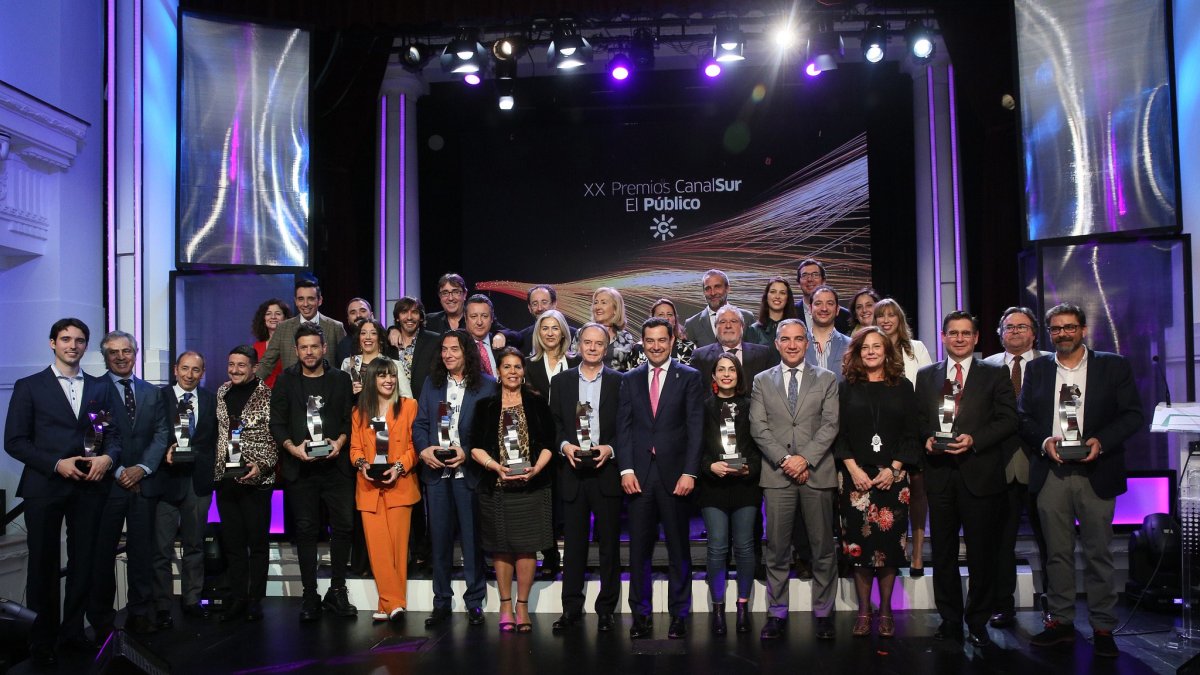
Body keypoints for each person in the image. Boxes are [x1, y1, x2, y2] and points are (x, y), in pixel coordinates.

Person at [1020, 303, 1144, 659]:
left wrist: (1100, 442)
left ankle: (1103, 626)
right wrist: (1044, 442)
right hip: (1052, 470)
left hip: (1096, 470)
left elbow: (1132, 415)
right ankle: (1060, 622)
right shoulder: (1038, 369)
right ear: (1049, 333)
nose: (1063, 333)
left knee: (1098, 552)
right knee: (1056, 553)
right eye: (1056, 329)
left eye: (1069, 327)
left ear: (1083, 330)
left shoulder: (1113, 365)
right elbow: (1024, 417)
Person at [4, 318, 123, 666]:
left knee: (83, 563)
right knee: (42, 565)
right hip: (45, 486)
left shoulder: (101, 388)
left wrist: (107, 457)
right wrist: (57, 464)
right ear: (52, 343)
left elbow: (113, 436)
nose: (73, 345)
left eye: (80, 340)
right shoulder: (29, 386)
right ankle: (42, 640)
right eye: (66, 339)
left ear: (86, 346)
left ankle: (72, 632)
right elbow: (15, 441)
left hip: (89, 487)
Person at [915, 311, 1016, 648]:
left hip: (981, 475)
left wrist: (975, 439)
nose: (959, 339)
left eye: (966, 333)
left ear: (976, 339)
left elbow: (1007, 420)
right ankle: (949, 618)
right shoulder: (927, 376)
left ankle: (977, 619)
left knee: (981, 554)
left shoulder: (994, 373)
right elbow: (918, 421)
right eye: (953, 333)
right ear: (943, 337)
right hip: (940, 476)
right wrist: (928, 437)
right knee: (942, 553)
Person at [749, 319, 840, 641]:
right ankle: (776, 613)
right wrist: (787, 460)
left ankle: (824, 613)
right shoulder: (761, 380)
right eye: (785, 339)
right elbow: (758, 427)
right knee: (776, 548)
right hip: (777, 474)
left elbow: (830, 424)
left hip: (817, 472)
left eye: (798, 339)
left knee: (822, 548)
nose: (791, 345)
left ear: (807, 344)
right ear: (776, 343)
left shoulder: (827, 379)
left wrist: (805, 459)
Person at [618, 317, 705, 640]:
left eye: (661, 340)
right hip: (639, 476)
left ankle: (679, 615)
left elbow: (696, 429)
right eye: (650, 341)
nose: (655, 346)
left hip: (676, 476)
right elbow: (623, 428)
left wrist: (690, 472)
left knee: (678, 549)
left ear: (671, 342)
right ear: (642, 343)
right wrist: (626, 469)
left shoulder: (689, 377)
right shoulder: (631, 379)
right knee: (638, 550)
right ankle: (640, 616)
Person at [269, 323, 357, 622]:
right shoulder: (285, 381)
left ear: (323, 348)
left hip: (336, 467)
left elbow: (349, 420)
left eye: (314, 346)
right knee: (305, 531)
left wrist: (340, 442)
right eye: (303, 347)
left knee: (343, 527)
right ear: (296, 350)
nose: (309, 352)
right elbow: (277, 423)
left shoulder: (340, 379)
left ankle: (337, 590)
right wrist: (292, 448)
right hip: (300, 469)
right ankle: (309, 594)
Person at [836, 327, 919, 638]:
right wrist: (854, 469)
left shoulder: (903, 387)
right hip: (854, 479)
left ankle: (885, 609)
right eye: (865, 347)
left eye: (877, 346)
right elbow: (838, 434)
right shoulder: (846, 388)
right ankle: (863, 610)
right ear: (857, 352)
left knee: (888, 550)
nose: (871, 351)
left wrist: (894, 469)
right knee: (858, 549)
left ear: (887, 351)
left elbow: (911, 435)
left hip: (892, 480)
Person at [88, 331, 171, 638]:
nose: (121, 357)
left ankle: (140, 612)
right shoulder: (94, 390)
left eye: (127, 351)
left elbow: (161, 434)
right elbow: (93, 437)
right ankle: (101, 619)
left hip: (144, 483)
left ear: (135, 353)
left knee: (142, 553)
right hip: (107, 485)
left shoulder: (152, 392)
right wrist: (120, 470)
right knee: (102, 554)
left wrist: (142, 468)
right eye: (114, 352)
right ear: (105, 356)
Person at [412, 330, 498, 627]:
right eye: (444, 349)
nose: (447, 354)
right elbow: (421, 423)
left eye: (454, 349)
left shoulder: (487, 386)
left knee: (472, 540)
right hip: (437, 474)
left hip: (469, 473)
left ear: (467, 353)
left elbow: (489, 430)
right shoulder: (431, 383)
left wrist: (467, 450)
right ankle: (441, 603)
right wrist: (424, 449)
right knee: (439, 540)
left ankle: (474, 601)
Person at [469, 348, 556, 632]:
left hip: (530, 486)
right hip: (496, 487)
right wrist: (495, 466)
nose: (512, 372)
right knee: (501, 548)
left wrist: (536, 469)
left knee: (526, 547)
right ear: (499, 371)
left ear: (523, 371)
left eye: (517, 367)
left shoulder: (536, 402)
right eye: (507, 367)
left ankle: (522, 605)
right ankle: (505, 604)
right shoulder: (486, 404)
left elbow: (548, 444)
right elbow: (474, 447)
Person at [547, 323, 623, 633]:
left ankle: (606, 610)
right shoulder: (562, 381)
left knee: (609, 546)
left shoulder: (620, 382)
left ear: (606, 348)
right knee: (574, 546)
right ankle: (571, 609)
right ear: (578, 345)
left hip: (606, 472)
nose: (592, 348)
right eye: (587, 342)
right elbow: (554, 424)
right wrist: (565, 447)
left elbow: (627, 425)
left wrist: (611, 448)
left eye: (598, 344)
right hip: (573, 471)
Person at [983, 307, 1051, 628]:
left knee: (1050, 540)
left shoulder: (1051, 364)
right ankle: (1003, 605)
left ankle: (1054, 605)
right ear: (1000, 333)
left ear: (1034, 332)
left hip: (1044, 463)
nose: (1015, 332)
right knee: (999, 542)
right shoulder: (987, 367)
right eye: (1008, 327)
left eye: (1021, 327)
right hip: (999, 465)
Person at [348, 356, 420, 621]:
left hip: (399, 485)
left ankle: (388, 604)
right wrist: (362, 464)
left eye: (391, 375)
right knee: (378, 549)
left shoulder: (410, 407)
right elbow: (355, 448)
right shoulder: (359, 412)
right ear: (372, 380)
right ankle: (393, 604)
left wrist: (399, 467)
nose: (388, 380)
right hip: (369, 489)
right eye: (382, 376)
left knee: (397, 549)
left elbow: (416, 446)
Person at [150, 351, 218, 626]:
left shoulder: (211, 400)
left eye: (196, 370)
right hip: (165, 482)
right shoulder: (158, 398)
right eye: (185, 368)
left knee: (194, 546)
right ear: (175, 369)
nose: (190, 375)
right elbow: (152, 433)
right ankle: (163, 605)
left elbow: (214, 440)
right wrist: (164, 451)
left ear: (203, 373)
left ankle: (192, 600)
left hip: (198, 482)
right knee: (161, 549)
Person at [697, 353, 762, 635]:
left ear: (738, 375)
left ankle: (743, 606)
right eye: (720, 370)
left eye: (731, 370)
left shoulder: (752, 407)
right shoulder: (703, 408)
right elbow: (695, 448)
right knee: (717, 547)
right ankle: (719, 608)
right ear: (713, 376)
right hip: (713, 487)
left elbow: (760, 445)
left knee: (746, 547)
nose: (726, 374)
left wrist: (750, 468)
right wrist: (710, 466)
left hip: (745, 486)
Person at [213, 345, 278, 623]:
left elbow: (277, 438)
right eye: (231, 364)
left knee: (258, 543)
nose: (235, 370)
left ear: (254, 367)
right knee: (233, 543)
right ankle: (238, 597)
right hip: (225, 479)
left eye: (241, 365)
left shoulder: (269, 396)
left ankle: (255, 600)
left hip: (258, 480)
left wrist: (260, 466)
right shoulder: (221, 392)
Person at [873, 298, 932, 575]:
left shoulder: (916, 348)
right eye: (880, 316)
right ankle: (895, 548)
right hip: (882, 433)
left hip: (913, 429)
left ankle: (918, 552)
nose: (886, 320)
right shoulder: (872, 349)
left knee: (918, 491)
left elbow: (929, 385)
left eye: (891, 315)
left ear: (900, 319)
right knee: (892, 493)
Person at [256, 277, 347, 380]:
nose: (305, 304)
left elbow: (346, 363)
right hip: (293, 392)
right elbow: (266, 363)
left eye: (310, 299)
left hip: (327, 391)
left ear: (320, 300)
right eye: (301, 299)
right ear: (295, 301)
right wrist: (248, 387)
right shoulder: (283, 328)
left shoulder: (335, 327)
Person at [690, 304, 778, 393]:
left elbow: (771, 391)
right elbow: (695, 394)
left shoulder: (763, 354)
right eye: (723, 322)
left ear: (742, 326)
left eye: (733, 321)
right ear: (716, 327)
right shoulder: (700, 356)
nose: (728, 326)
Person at [683, 269, 762, 347]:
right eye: (708, 288)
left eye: (717, 287)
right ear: (703, 292)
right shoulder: (692, 324)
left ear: (727, 288)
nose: (713, 293)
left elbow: (755, 352)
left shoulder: (747, 317)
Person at [387, 296, 440, 400]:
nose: (409, 317)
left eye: (414, 312)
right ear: (397, 317)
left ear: (421, 317)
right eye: (404, 312)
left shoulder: (434, 340)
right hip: (393, 405)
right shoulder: (388, 343)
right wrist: (391, 329)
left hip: (424, 405)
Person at [507, 284, 577, 356]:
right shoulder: (521, 339)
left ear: (554, 304)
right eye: (535, 304)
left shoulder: (575, 335)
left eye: (544, 302)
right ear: (529, 308)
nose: (539, 308)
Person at [525, 309, 579, 398]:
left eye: (555, 328)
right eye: (545, 328)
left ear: (563, 332)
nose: (550, 333)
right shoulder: (528, 364)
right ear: (539, 333)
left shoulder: (577, 362)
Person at [794, 258, 852, 334]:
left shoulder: (845, 316)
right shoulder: (790, 313)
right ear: (799, 283)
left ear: (823, 281)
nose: (810, 279)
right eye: (804, 275)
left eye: (815, 275)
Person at [633, 297, 696, 366]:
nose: (666, 318)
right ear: (652, 319)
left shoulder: (690, 348)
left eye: (669, 314)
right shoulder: (638, 349)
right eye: (661, 315)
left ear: (675, 320)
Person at [806, 285, 852, 377]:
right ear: (810, 309)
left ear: (837, 310)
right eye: (818, 303)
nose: (824, 308)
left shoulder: (851, 345)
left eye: (830, 303)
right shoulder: (797, 345)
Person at [591, 287, 637, 372]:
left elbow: (630, 369)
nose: (597, 307)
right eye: (595, 303)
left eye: (603, 303)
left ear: (615, 309)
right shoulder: (582, 334)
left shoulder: (625, 338)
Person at [341, 319, 389, 396]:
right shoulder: (348, 363)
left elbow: (407, 398)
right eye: (363, 333)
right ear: (359, 338)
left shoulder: (392, 364)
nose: (368, 337)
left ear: (380, 339)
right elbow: (341, 395)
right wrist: (350, 392)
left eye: (373, 333)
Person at [251, 298, 291, 387]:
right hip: (263, 395)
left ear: (285, 318)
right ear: (263, 319)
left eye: (278, 314)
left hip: (287, 395)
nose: (273, 317)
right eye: (268, 314)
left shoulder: (293, 344)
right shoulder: (256, 347)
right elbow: (250, 374)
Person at [751, 276, 800, 345]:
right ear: (766, 296)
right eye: (773, 292)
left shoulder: (798, 329)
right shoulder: (754, 330)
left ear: (788, 298)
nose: (777, 296)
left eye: (782, 293)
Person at [335, 297, 376, 367]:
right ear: (348, 320)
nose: (358, 315)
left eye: (363, 311)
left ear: (372, 316)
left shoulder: (384, 339)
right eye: (353, 313)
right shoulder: (343, 347)